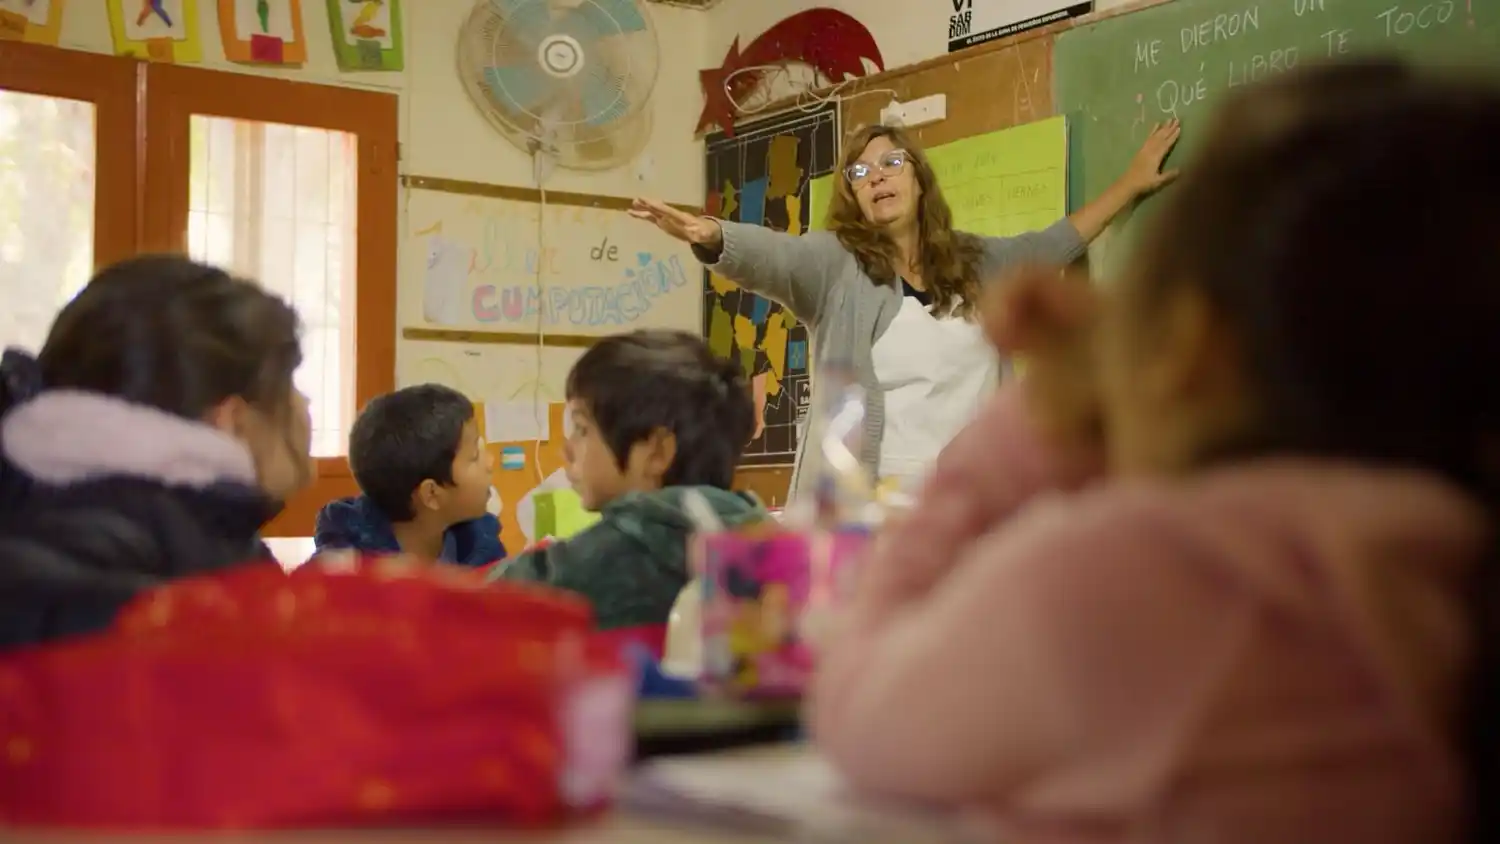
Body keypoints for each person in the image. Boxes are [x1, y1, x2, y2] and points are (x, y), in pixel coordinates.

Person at [809, 60, 1500, 842]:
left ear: (1186, 349)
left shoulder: (1134, 569)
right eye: (863, 171)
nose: (876, 178)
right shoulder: (1452, 563)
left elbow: (862, 713)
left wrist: (1026, 431)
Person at [630, 121, 1179, 498]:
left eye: (890, 163)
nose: (878, 177)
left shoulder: (977, 261)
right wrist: (711, 235)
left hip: (975, 497)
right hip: (875, 504)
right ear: (854, 197)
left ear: (918, 178)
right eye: (861, 173)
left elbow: (1054, 243)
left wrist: (1130, 184)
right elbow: (776, 257)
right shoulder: (835, 266)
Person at [0, 255, 313, 650]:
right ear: (231, 419)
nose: (305, 403)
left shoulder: (188, 532)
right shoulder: (126, 591)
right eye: (290, 385)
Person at [491, 330, 767, 630]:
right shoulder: (760, 537)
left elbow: (478, 603)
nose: (567, 449)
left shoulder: (620, 551)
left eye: (582, 429)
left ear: (657, 452)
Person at [315, 383, 504, 566]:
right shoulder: (345, 568)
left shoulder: (481, 545)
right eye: (474, 456)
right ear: (431, 494)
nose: (490, 462)